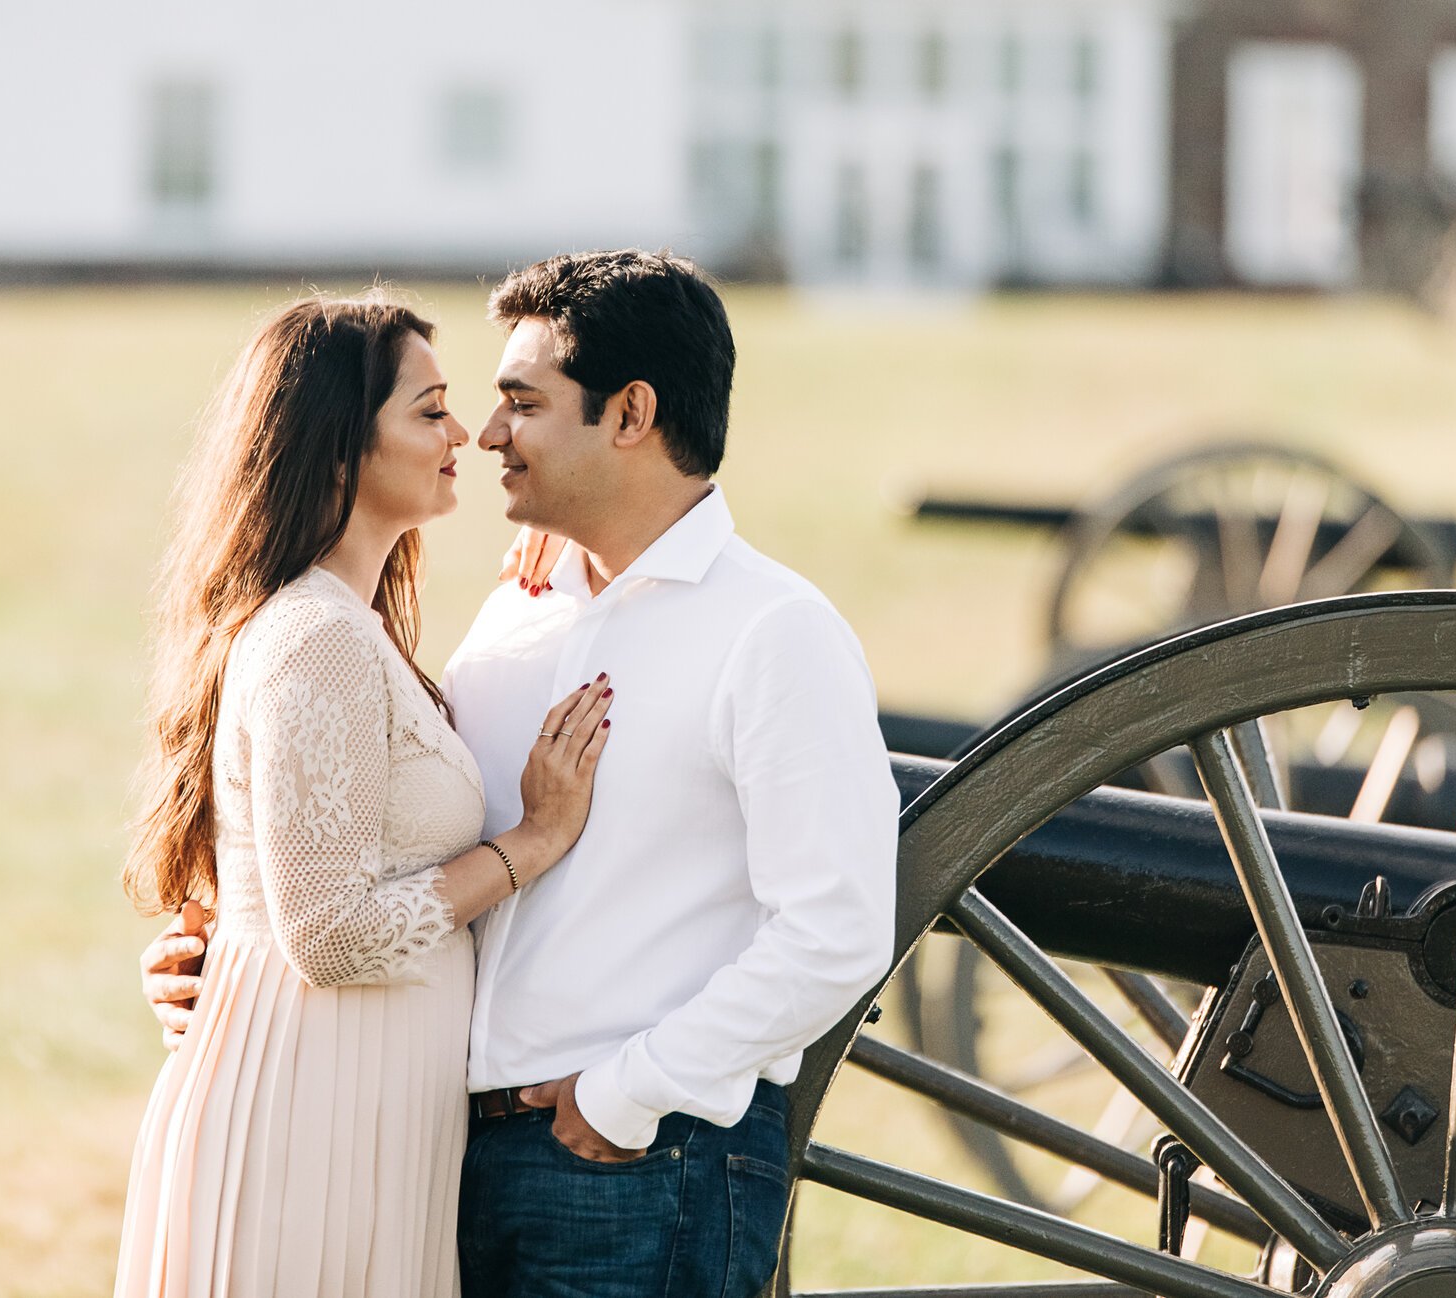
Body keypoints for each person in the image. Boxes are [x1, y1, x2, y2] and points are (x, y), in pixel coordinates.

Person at [145, 251, 901, 1298]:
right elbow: (381, 843)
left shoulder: (773, 632)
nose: (486, 434)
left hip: (634, 1165)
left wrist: (627, 1095)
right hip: (441, 1151)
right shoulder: (517, 610)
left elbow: (837, 930)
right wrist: (238, 954)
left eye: (520, 402)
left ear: (629, 413)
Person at [114, 295, 619, 1298]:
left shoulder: (350, 629)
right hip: (308, 1127)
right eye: (430, 410)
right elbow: (332, 935)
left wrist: (573, 549)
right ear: (343, 448)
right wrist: (534, 839)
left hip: (356, 1111)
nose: (465, 435)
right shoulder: (319, 637)